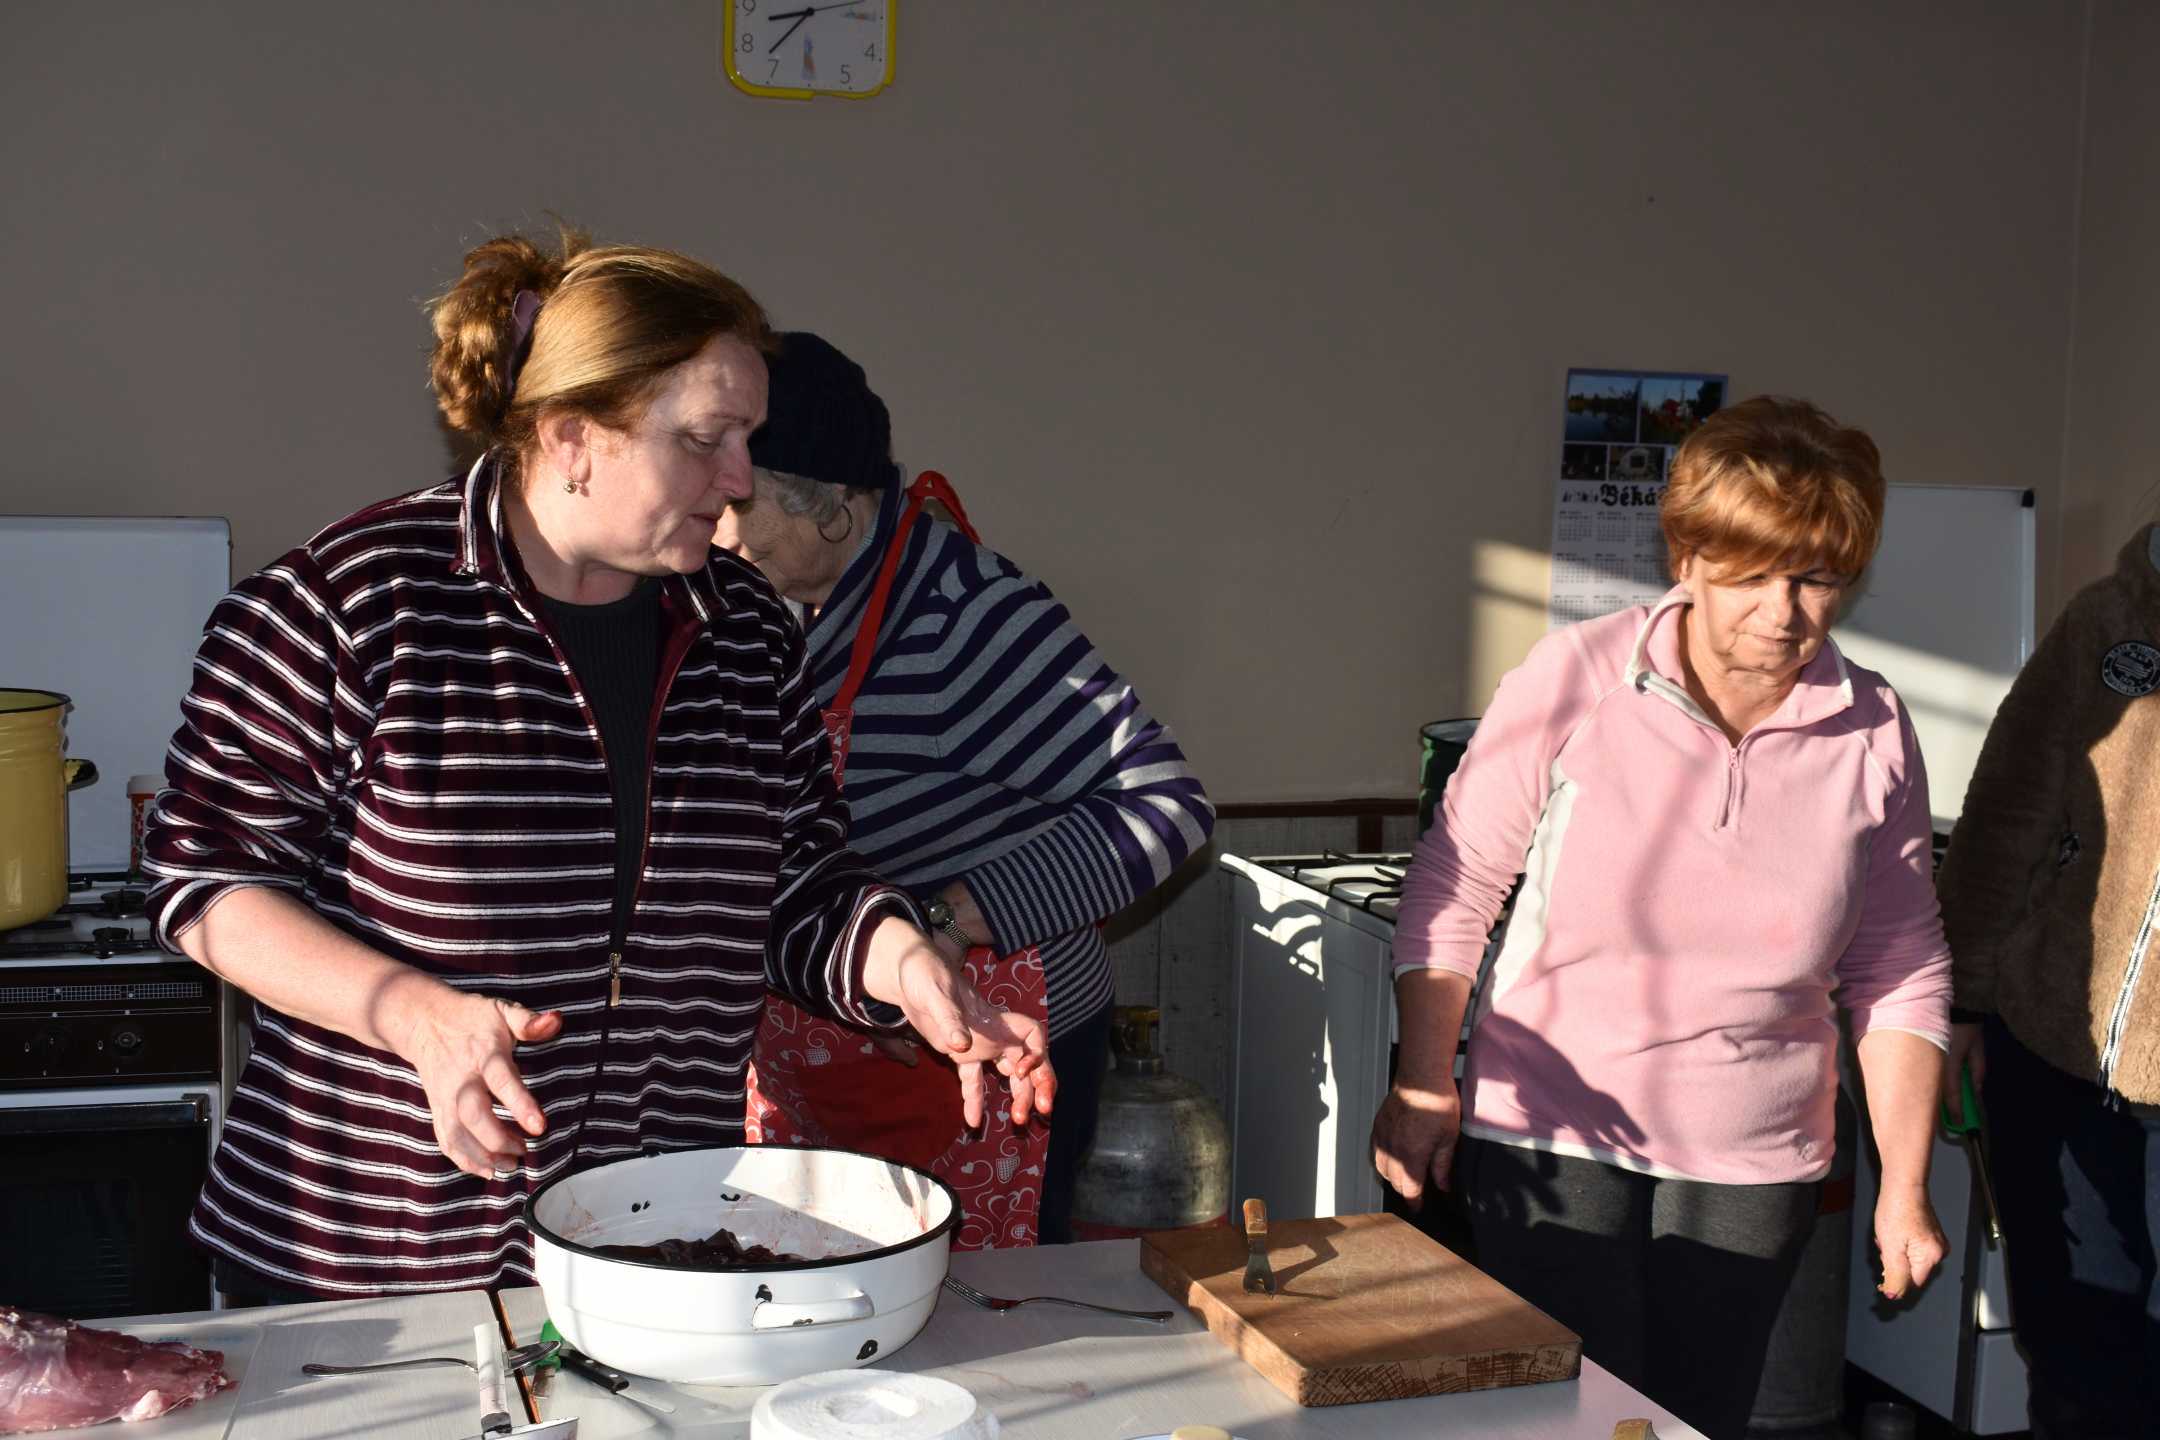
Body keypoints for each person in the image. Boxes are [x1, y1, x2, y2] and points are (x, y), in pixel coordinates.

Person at [140, 230, 1050, 1301]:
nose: (740, 481)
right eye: (707, 438)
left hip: (651, 1254)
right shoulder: (347, 606)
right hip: (364, 1265)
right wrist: (416, 1016)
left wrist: (904, 966)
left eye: (748, 439)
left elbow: (799, 877)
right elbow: (204, 883)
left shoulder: (747, 633)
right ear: (572, 436)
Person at [1370, 395, 1951, 1440]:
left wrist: (1904, 1186)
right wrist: (1423, 1080)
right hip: (1552, 1124)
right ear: (1688, 559)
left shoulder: (1873, 728)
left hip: (1756, 1151)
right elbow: (1458, 882)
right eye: (1752, 574)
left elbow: (1900, 968)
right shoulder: (1579, 676)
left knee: (1694, 1422)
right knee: (1564, 1419)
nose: (1784, 611)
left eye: (1817, 578)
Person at [712, 333, 1214, 1248]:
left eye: (741, 502)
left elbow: (1166, 806)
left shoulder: (961, 614)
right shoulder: (804, 611)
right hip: (848, 1057)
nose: (717, 527)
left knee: (980, 1312)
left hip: (989, 1048)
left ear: (831, 501)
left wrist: (948, 922)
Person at [1936, 522, 2160, 1440]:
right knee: (2076, 1360)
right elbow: (2005, 815)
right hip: (2055, 1054)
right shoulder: (2105, 621)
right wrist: (1963, 1001)